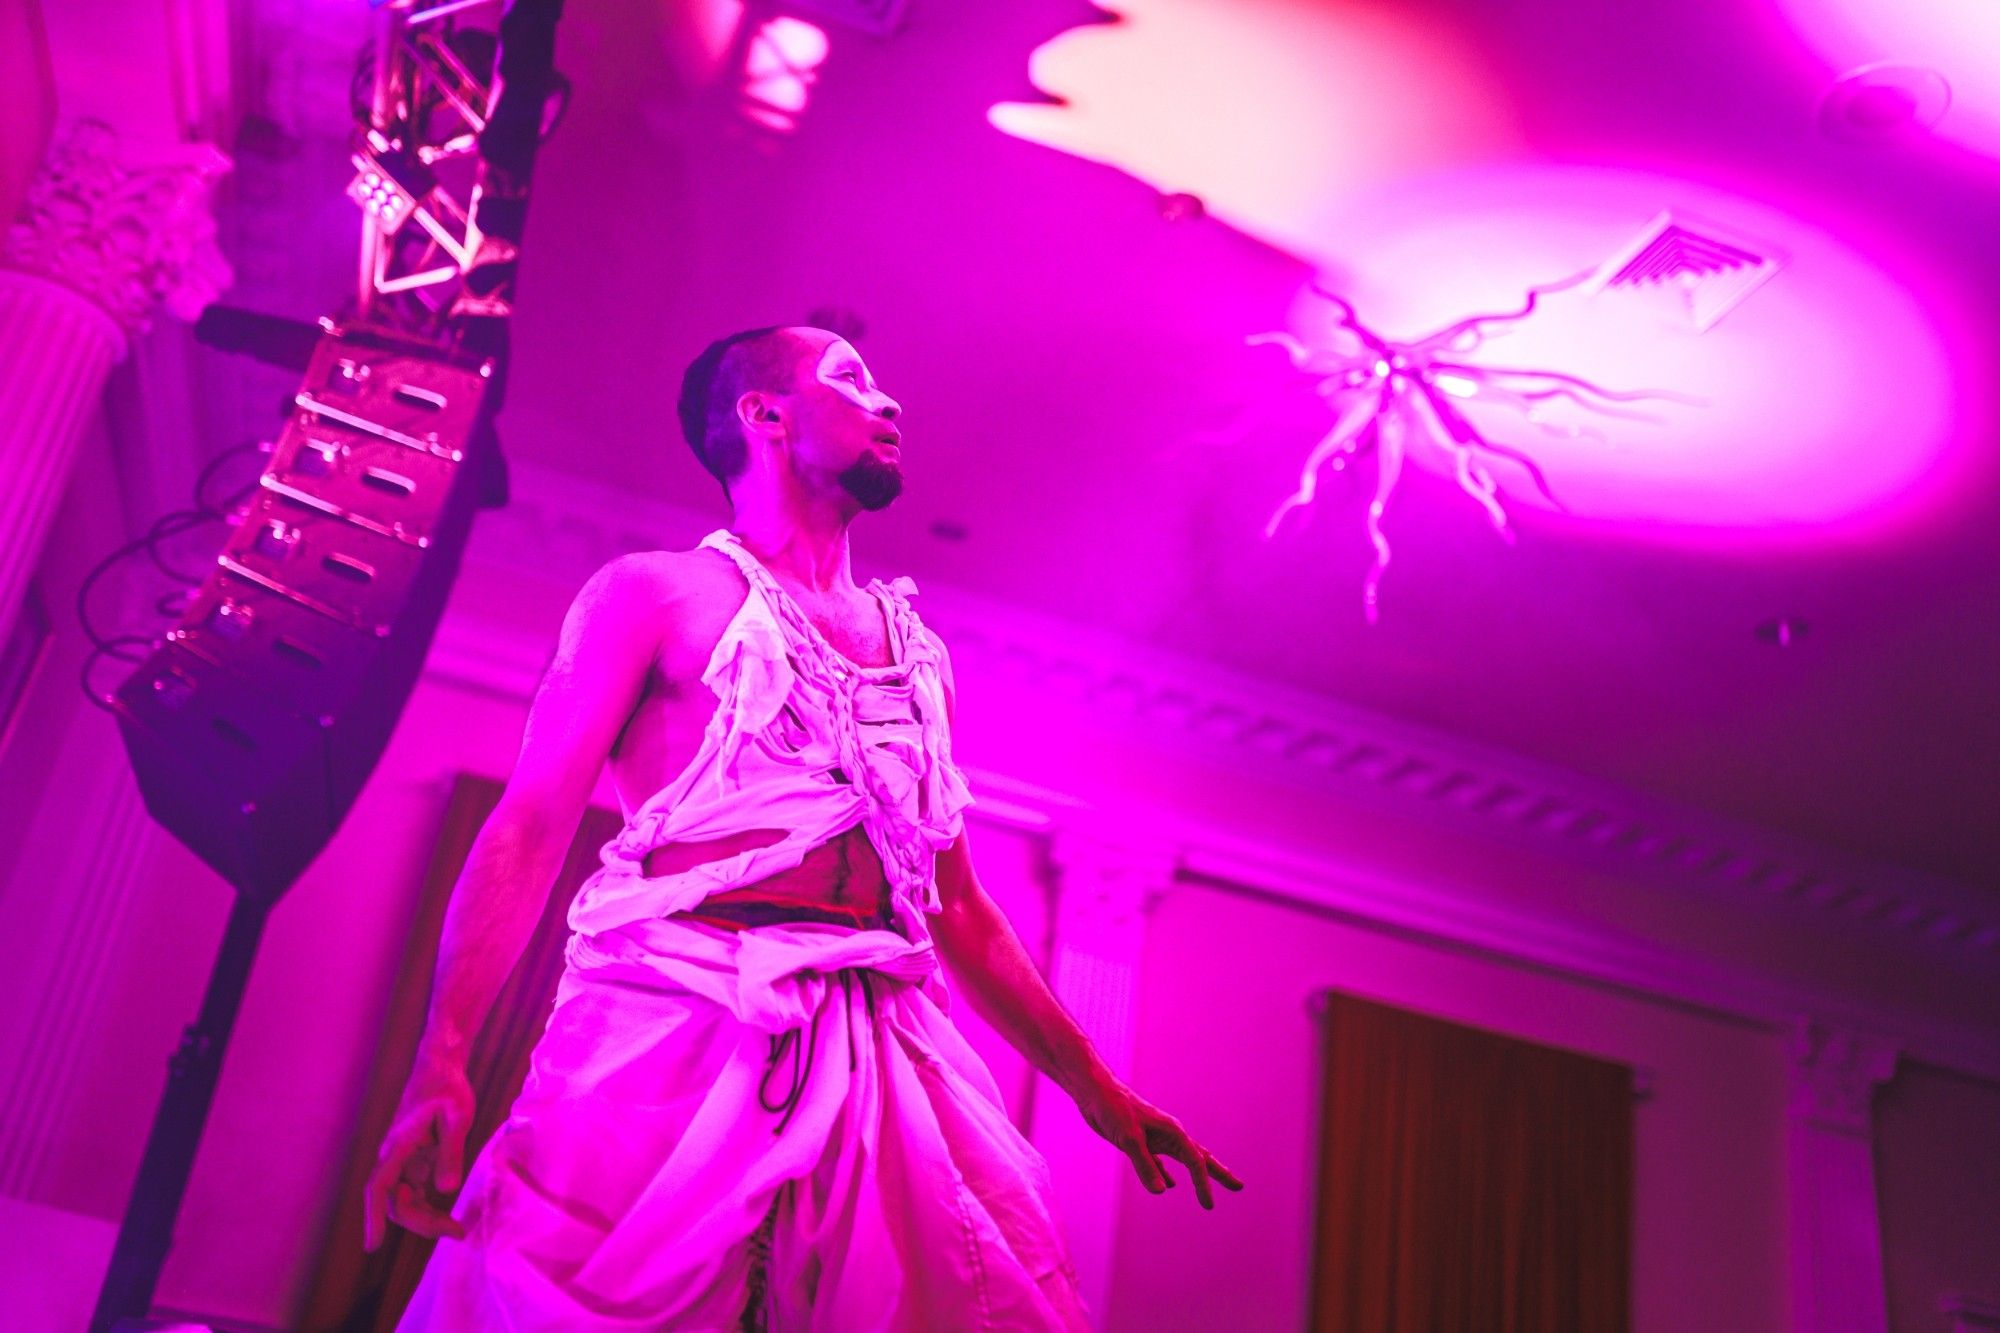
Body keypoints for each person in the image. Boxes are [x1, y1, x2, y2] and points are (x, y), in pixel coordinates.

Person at [363, 325, 1241, 1329]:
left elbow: (955, 904)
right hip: (675, 1027)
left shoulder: (916, 656)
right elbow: (527, 827)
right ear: (764, 415)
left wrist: (1088, 1079)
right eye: (852, 380)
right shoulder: (652, 594)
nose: (890, 404)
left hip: (883, 1047)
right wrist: (441, 1051)